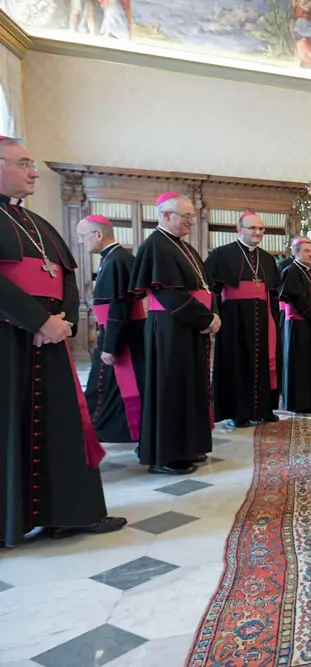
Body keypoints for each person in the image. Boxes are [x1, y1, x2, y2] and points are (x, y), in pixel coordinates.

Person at [0, 137, 126, 546]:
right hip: (8, 339)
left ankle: (70, 513)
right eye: (23, 163)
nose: (34, 171)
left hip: (49, 340)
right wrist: (37, 320)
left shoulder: (36, 223)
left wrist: (63, 323)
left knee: (62, 424)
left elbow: (67, 276)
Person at [131, 193, 219, 475]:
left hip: (188, 327)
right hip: (171, 329)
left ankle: (188, 446)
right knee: (171, 390)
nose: (191, 222)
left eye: (192, 217)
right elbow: (170, 295)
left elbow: (204, 288)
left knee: (189, 388)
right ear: (166, 216)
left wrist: (211, 316)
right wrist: (205, 318)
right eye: (186, 216)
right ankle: (166, 455)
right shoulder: (156, 246)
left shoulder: (182, 247)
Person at [204, 212, 281, 428]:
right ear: (239, 230)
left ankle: (263, 409)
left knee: (262, 363)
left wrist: (273, 320)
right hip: (233, 322)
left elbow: (273, 295)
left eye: (261, 229)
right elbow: (210, 291)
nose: (257, 233)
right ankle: (238, 413)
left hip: (262, 321)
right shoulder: (222, 254)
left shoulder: (267, 259)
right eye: (252, 228)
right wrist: (215, 315)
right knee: (237, 365)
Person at [79, 214, 145, 443]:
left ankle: (119, 429)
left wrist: (111, 346)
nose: (81, 241)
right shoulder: (118, 257)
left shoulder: (117, 260)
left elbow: (118, 306)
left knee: (112, 384)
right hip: (120, 331)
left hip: (120, 335)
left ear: (98, 235)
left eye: (83, 236)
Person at [280, 237, 311, 413]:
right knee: (300, 365)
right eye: (306, 251)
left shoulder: (308, 272)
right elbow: (298, 300)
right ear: (296, 252)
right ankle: (300, 403)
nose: (310, 255)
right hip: (299, 325)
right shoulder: (292, 271)